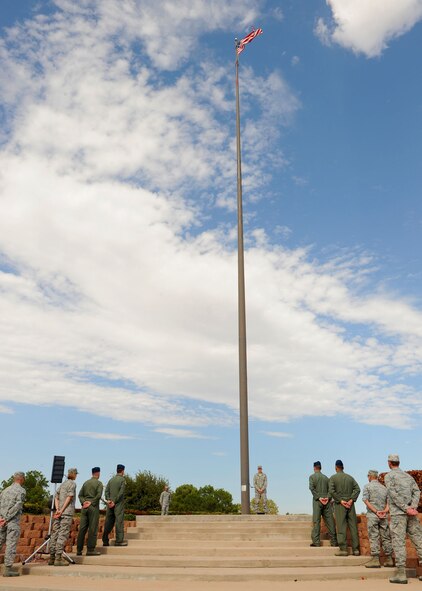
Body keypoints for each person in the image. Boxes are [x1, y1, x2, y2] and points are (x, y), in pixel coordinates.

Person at [384, 453, 422, 584]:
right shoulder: (408, 476)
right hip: (411, 514)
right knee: (419, 540)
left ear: (389, 463)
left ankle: (401, 574)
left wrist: (405, 508)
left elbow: (392, 494)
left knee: (399, 542)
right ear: (398, 463)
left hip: (398, 515)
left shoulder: (389, 477)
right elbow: (417, 491)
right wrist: (413, 507)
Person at [362, 469, 393, 568]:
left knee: (374, 536)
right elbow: (389, 503)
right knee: (386, 537)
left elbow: (366, 500)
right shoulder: (384, 488)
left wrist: (376, 512)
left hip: (373, 515)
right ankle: (389, 559)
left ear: (370, 476)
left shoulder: (367, 486)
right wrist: (384, 511)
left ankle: (375, 560)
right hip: (383, 516)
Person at [329, 460, 360, 556]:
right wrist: (351, 500)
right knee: (353, 527)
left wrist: (340, 500)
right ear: (343, 467)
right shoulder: (350, 478)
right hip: (350, 505)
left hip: (340, 505)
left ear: (336, 467)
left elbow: (331, 491)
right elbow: (357, 489)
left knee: (341, 526)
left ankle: (343, 549)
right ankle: (356, 550)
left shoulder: (333, 478)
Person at [49, 467, 78, 566]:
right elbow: (69, 497)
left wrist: (57, 509)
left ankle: (52, 557)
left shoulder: (62, 484)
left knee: (55, 534)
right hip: (66, 513)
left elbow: (56, 497)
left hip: (58, 513)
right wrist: (62, 510)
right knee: (62, 534)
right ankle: (58, 558)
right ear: (74, 474)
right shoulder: (72, 484)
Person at [0, 471, 26, 577]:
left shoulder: (5, 490)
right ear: (21, 479)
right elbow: (18, 506)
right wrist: (7, 518)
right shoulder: (21, 490)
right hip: (12, 521)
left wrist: (1, 518)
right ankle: (7, 569)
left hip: (1, 521)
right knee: (10, 544)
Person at [309, 461, 337, 547]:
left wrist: (319, 498)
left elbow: (311, 488)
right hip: (327, 502)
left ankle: (316, 542)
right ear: (320, 468)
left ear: (314, 468)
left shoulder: (312, 477)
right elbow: (331, 490)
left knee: (316, 521)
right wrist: (327, 498)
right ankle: (334, 542)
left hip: (317, 501)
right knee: (330, 521)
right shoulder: (326, 478)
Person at [76, 467, 103, 556]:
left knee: (82, 529)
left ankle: (79, 550)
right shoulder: (99, 483)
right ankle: (91, 550)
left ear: (92, 473)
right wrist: (91, 502)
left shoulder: (86, 483)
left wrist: (84, 502)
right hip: (93, 507)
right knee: (93, 529)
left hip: (84, 507)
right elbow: (99, 495)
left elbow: (80, 495)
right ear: (98, 473)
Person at [102, 464, 127, 547]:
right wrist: (114, 501)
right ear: (123, 471)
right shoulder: (122, 480)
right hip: (118, 504)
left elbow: (106, 491)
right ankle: (119, 541)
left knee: (108, 522)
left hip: (109, 505)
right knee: (119, 522)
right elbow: (121, 492)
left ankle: (105, 540)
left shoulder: (111, 480)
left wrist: (109, 501)